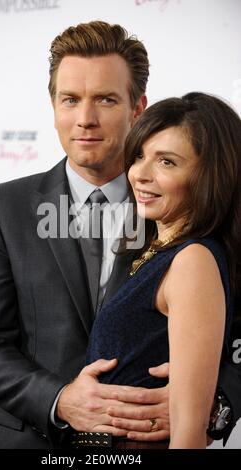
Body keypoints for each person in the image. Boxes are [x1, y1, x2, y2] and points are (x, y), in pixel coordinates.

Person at [0, 21, 240, 449]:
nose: (85, 119)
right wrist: (60, 399)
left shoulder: (184, 209)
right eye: (70, 100)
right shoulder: (5, 206)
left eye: (106, 99)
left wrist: (211, 407)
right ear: (53, 108)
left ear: (138, 107)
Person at [86, 92, 241, 448]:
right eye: (139, 155)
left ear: (209, 176)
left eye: (167, 162)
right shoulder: (154, 250)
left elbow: (188, 435)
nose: (140, 174)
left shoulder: (193, 261)